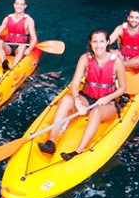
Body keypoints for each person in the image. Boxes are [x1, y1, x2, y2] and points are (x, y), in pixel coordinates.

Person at [37, 29, 127, 160]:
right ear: (90, 43)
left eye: (102, 41)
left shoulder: (117, 62)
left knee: (95, 112)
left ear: (107, 42)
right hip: (87, 97)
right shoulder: (85, 59)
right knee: (67, 99)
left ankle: (78, 151)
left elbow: (123, 88)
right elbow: (74, 84)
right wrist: (77, 101)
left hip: (107, 103)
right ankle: (51, 142)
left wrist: (107, 97)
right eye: (95, 41)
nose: (98, 45)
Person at [0, 0, 37, 71]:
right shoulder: (7, 18)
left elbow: (34, 38)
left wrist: (29, 49)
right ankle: (4, 63)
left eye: (21, 4)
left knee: (22, 47)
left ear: (25, 6)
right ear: (14, 5)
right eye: (17, 4)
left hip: (20, 47)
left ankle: (11, 67)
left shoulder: (29, 20)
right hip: (9, 47)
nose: (19, 6)